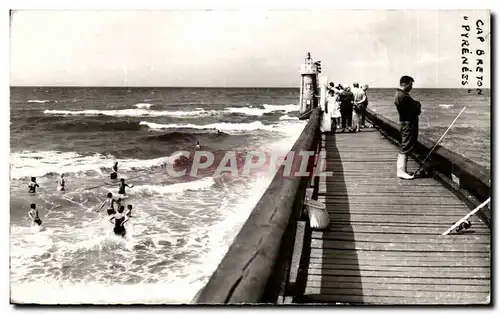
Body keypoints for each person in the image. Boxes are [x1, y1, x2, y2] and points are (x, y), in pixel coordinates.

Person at [394, 75, 421, 180]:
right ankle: (401, 171)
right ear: (405, 83)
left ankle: (403, 170)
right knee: (405, 146)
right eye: (411, 84)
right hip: (408, 123)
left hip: (404, 122)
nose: (412, 87)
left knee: (404, 145)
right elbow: (415, 108)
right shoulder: (403, 96)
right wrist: (418, 104)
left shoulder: (399, 94)